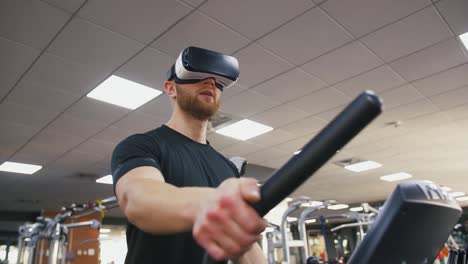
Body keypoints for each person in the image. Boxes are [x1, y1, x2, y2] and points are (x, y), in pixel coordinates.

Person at [111, 47, 268, 264]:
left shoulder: (228, 168)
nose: (210, 83)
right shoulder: (142, 146)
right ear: (170, 88)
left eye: (217, 81)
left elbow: (244, 247)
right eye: (197, 77)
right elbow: (138, 200)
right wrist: (215, 205)